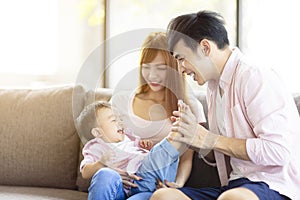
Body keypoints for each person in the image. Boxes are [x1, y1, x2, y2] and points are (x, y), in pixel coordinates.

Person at [151, 10, 300, 200]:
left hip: (274, 185)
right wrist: (193, 137)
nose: (181, 69)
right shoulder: (213, 87)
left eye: (181, 58)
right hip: (233, 185)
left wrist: (210, 139)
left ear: (205, 47)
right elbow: (220, 152)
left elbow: (279, 151)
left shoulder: (254, 76)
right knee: (163, 196)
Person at [86, 32, 207, 200]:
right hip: (119, 182)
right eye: (146, 67)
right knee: (105, 176)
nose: (152, 75)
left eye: (161, 68)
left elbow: (187, 157)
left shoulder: (190, 107)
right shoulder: (121, 101)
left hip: (151, 189)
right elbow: (105, 143)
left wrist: (176, 185)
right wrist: (111, 169)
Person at [77, 100, 189, 199]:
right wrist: (101, 163)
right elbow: (85, 172)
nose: (120, 122)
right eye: (113, 120)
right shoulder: (96, 147)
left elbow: (143, 156)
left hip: (146, 182)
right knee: (105, 174)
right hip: (121, 189)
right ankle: (176, 136)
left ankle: (177, 136)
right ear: (97, 132)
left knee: (155, 158)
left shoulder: (129, 137)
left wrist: (145, 147)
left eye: (120, 119)